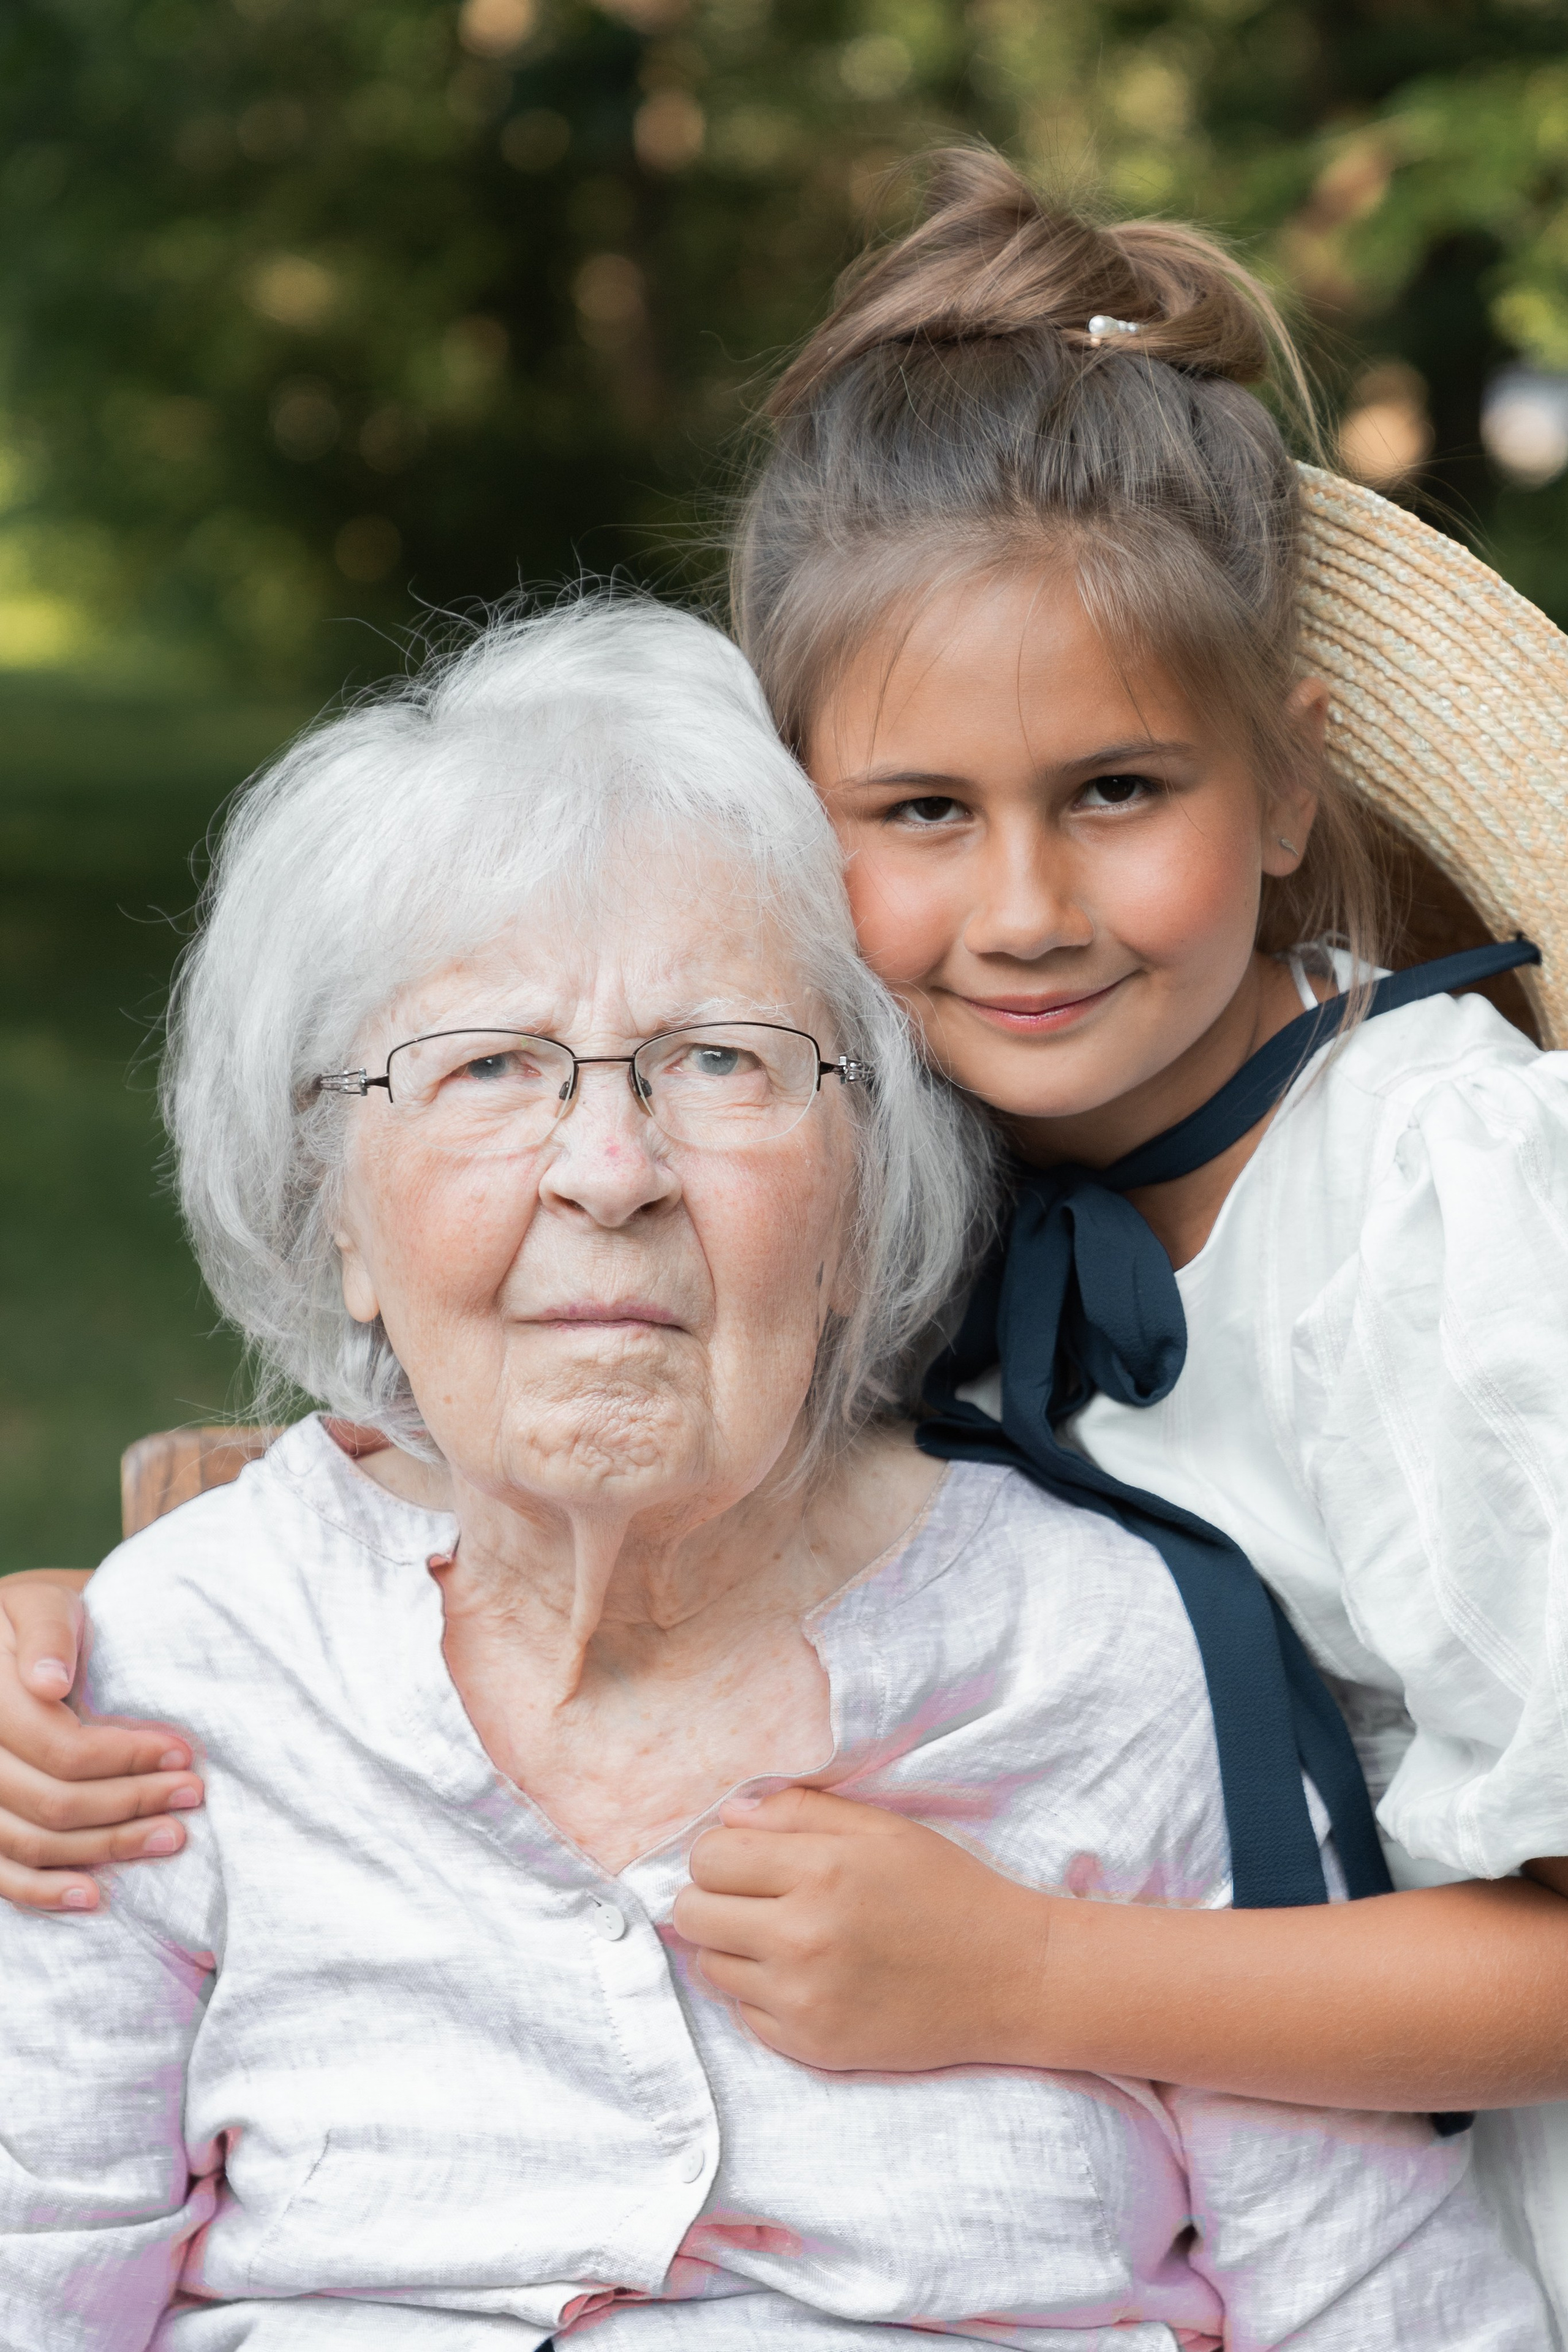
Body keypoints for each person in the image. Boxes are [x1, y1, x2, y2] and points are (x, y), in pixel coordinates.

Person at [2, 140, 1568, 2322]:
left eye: (1116, 788)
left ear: (1292, 784)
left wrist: (1028, 1971)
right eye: (921, 813)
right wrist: (115, 1615)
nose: (1019, 909)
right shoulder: (992, 1134)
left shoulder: (1451, 1207)